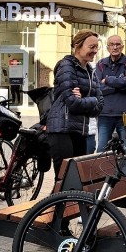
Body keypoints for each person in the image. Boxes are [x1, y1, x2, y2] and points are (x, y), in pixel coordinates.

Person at [46, 29, 105, 176]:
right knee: (64, 178)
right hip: (62, 129)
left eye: (97, 47)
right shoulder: (66, 66)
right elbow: (72, 103)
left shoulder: (90, 71)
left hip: (79, 130)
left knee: (75, 179)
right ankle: (54, 201)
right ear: (77, 46)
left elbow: (100, 105)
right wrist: (92, 100)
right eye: (91, 47)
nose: (95, 51)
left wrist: (85, 99)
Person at [94, 34, 126, 152]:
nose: (115, 47)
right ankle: (103, 171)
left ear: (122, 46)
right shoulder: (101, 64)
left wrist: (108, 80)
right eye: (112, 44)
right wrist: (120, 83)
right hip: (105, 114)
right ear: (107, 47)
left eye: (118, 44)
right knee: (102, 151)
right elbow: (97, 88)